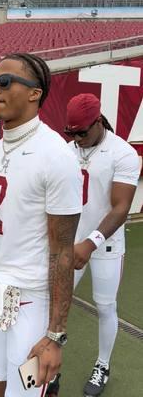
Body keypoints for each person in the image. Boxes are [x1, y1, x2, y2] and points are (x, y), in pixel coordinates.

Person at [0, 53, 83, 397]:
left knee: (24, 392)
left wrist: (54, 335)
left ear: (35, 93)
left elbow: (63, 252)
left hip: (32, 304)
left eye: (5, 82)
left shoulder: (57, 156)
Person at [64, 93, 141, 397]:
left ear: (98, 122)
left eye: (82, 131)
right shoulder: (66, 150)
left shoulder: (122, 153)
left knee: (106, 306)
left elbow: (121, 208)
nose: (77, 138)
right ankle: (50, 363)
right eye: (72, 133)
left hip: (105, 245)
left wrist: (91, 242)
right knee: (56, 300)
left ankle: (103, 364)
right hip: (70, 242)